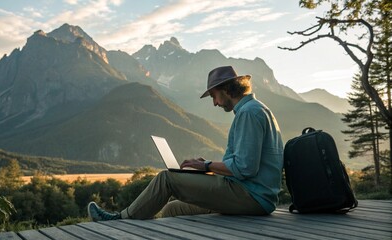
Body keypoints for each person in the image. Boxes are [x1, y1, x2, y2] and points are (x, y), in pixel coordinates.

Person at [88, 65, 284, 221]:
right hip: (250, 194)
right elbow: (244, 164)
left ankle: (120, 219)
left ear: (226, 89)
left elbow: (245, 168)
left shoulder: (249, 113)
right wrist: (206, 167)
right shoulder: (255, 109)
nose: (215, 102)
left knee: (167, 179)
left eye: (214, 96)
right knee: (172, 209)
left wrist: (206, 165)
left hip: (252, 198)